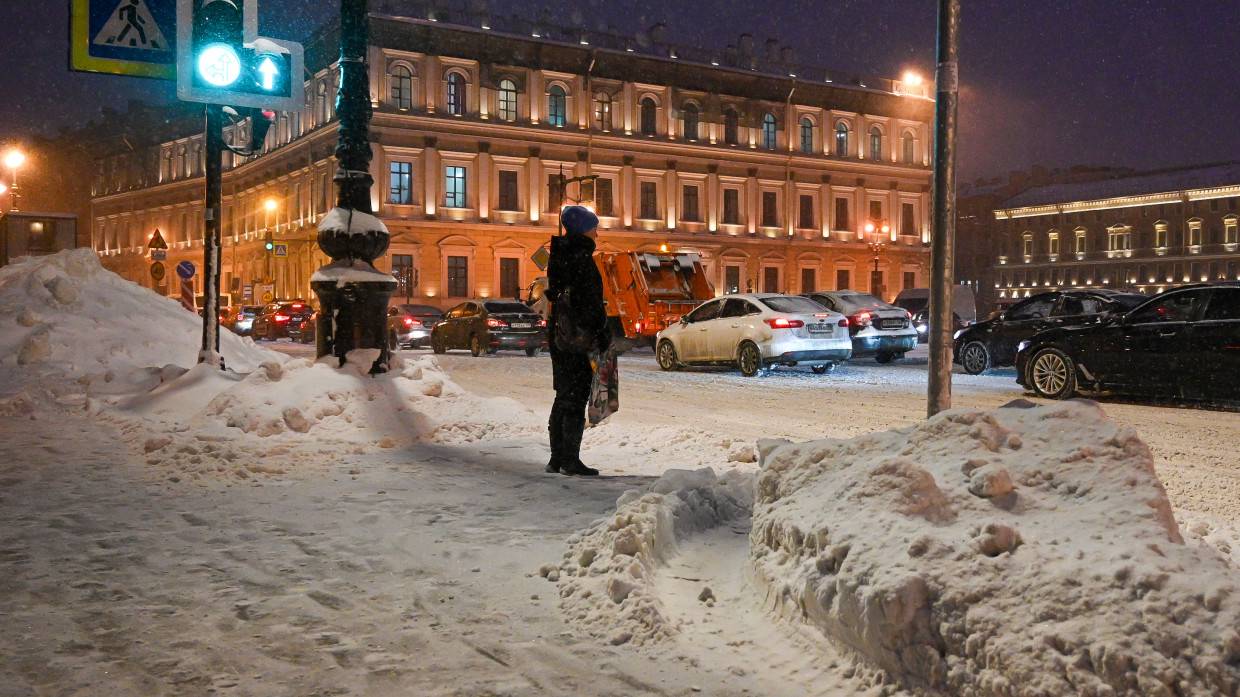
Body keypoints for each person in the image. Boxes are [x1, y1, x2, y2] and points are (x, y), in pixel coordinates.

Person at [545, 205, 609, 476]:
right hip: (577, 338)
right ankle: (570, 460)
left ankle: (557, 458)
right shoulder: (581, 257)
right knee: (575, 396)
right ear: (583, 228)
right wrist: (600, 331)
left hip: (561, 336)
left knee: (564, 396)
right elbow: (588, 302)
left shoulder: (561, 254)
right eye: (594, 226)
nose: (597, 232)